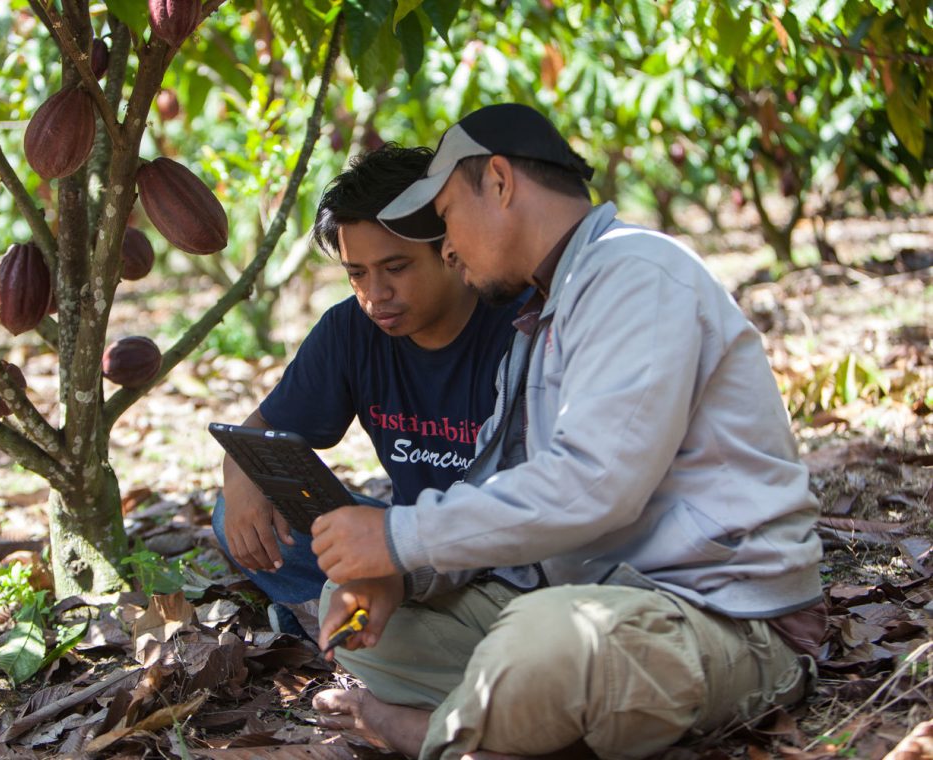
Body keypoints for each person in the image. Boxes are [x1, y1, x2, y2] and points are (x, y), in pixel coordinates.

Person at [308, 103, 826, 760]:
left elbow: (595, 486)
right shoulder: (545, 315)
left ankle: (428, 732)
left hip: (724, 618)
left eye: (445, 219)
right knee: (364, 612)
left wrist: (395, 534)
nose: (446, 248)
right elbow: (499, 491)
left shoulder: (634, 272)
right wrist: (400, 574)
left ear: (498, 181)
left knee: (548, 639)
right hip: (597, 597)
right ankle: (512, 724)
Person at [212, 143, 522, 635]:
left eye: (396, 268)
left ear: (450, 247)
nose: (376, 295)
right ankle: (346, 621)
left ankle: (345, 628)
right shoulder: (350, 331)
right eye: (357, 273)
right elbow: (259, 433)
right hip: (403, 543)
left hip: (504, 548)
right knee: (239, 509)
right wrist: (240, 476)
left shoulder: (522, 328)